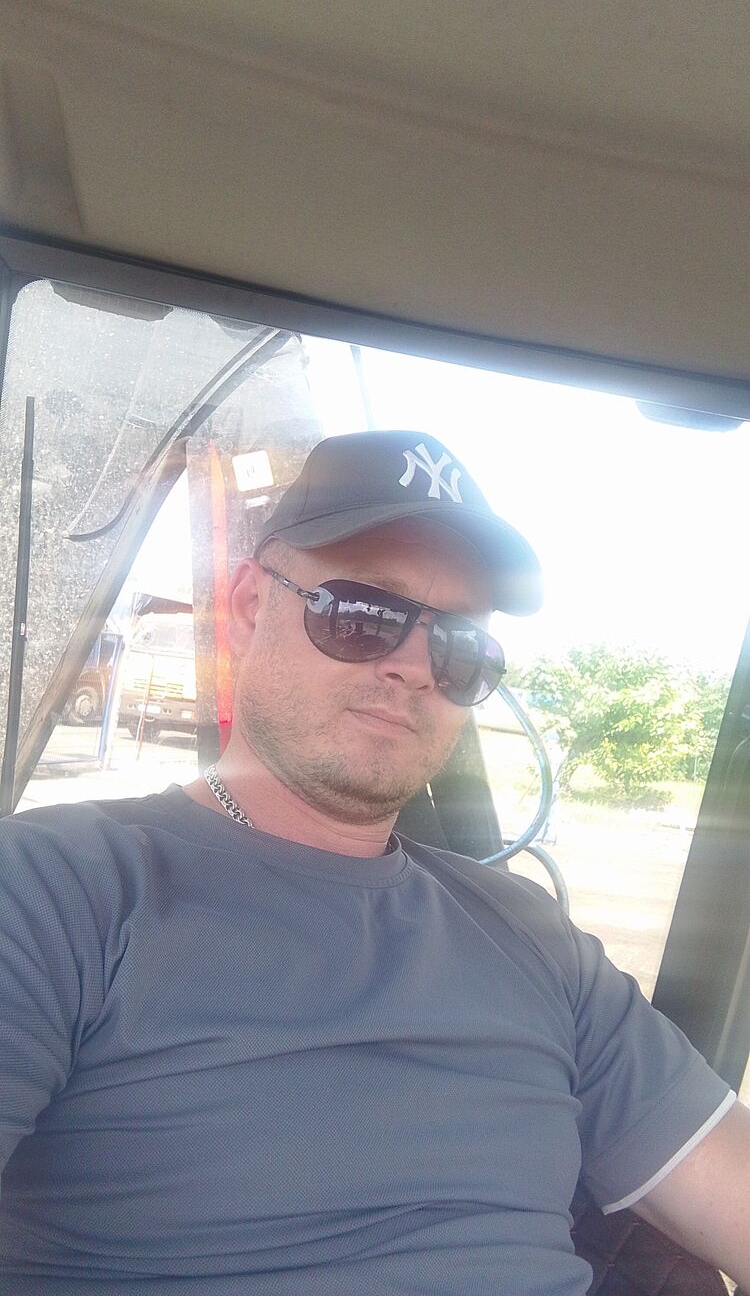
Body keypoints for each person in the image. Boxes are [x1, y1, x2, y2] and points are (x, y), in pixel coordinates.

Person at [0, 429, 748, 1295]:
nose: (414, 668)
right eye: (361, 614)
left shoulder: (530, 934)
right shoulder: (55, 889)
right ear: (249, 606)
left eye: (459, 647)